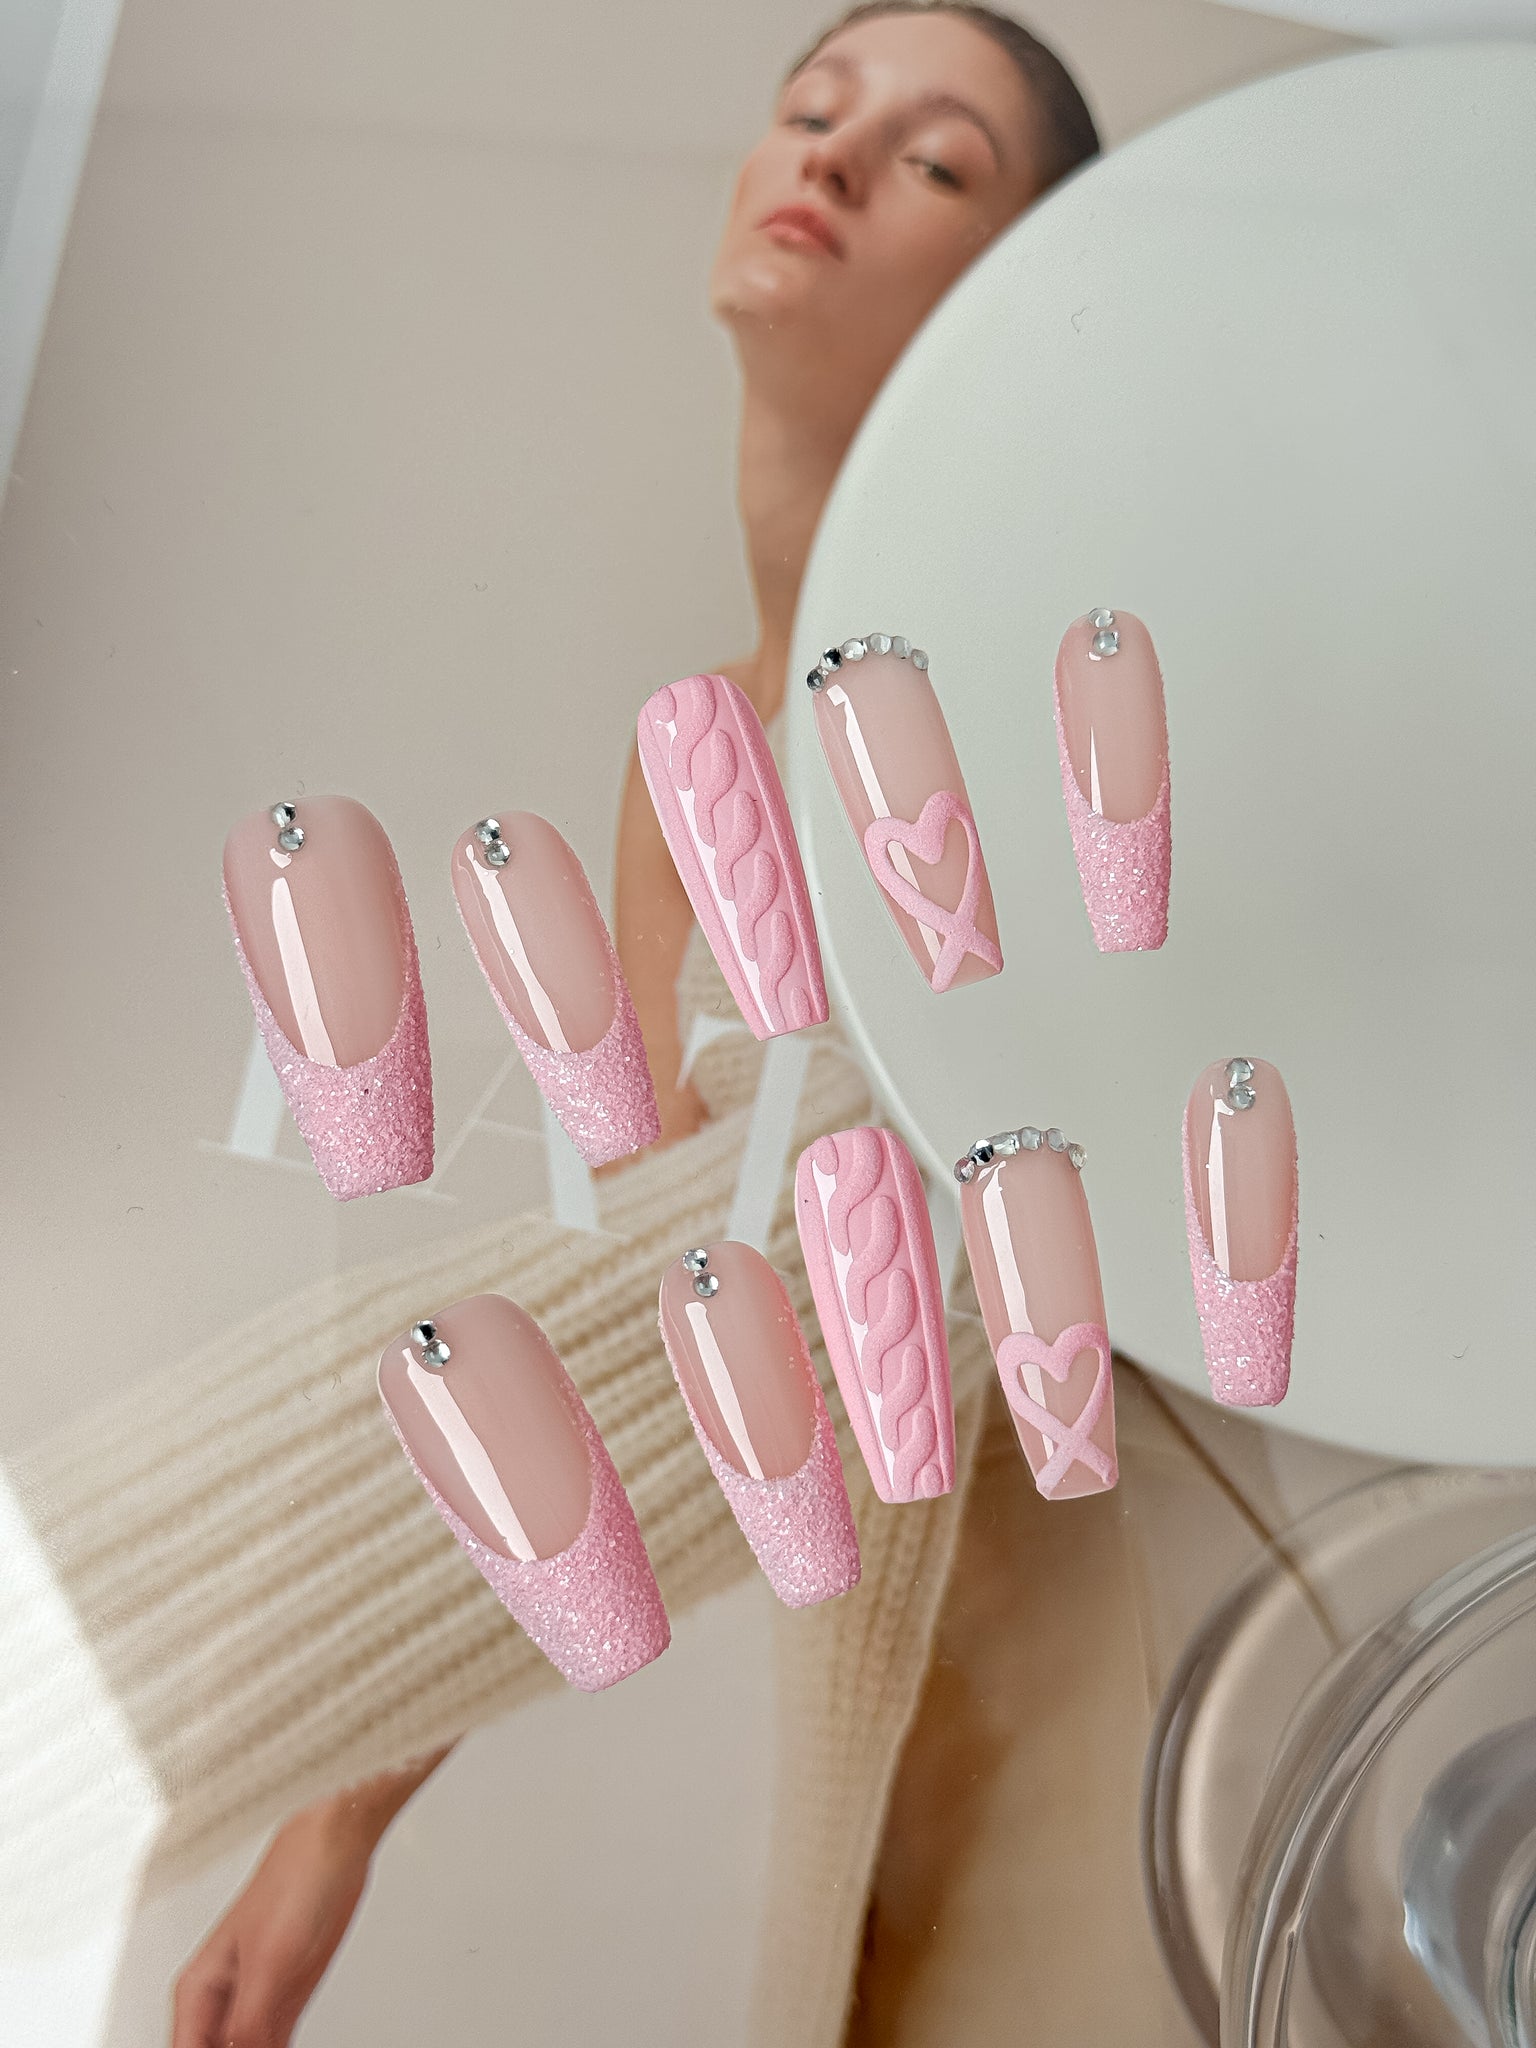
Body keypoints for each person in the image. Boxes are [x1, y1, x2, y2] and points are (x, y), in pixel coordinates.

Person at [168, 11, 1099, 2043]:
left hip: (1107, 1620)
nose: (830, 158)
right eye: (813, 110)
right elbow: (634, 1317)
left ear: (1027, 299)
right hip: (872, 1668)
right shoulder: (690, 759)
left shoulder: (1048, 709)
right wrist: (337, 1816)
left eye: (936, 159)